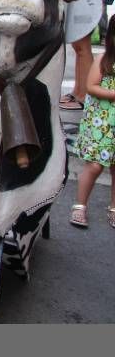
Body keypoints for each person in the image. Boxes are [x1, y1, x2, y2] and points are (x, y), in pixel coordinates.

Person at [69, 14, 115, 229]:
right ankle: (80, 205)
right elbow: (91, 86)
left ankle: (114, 207)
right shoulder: (104, 59)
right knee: (95, 166)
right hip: (101, 123)